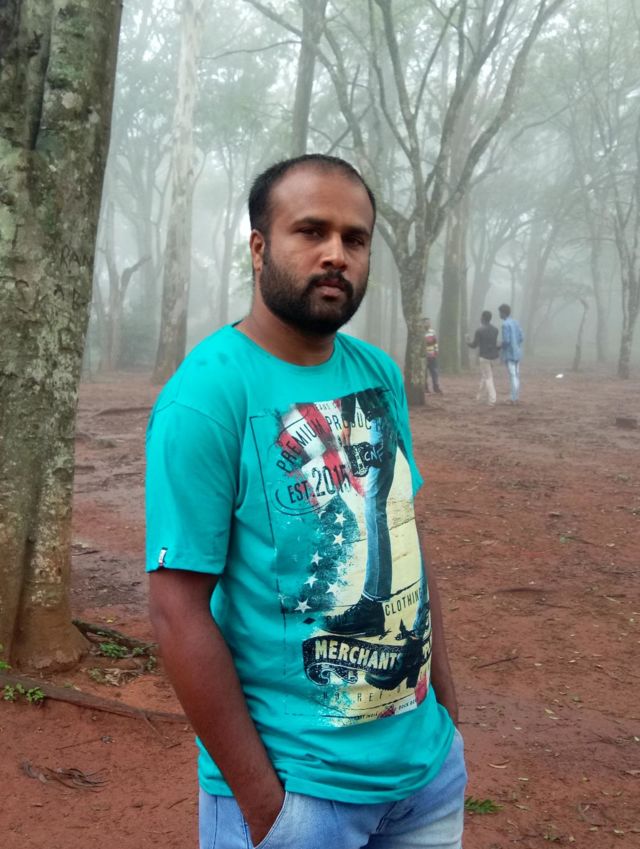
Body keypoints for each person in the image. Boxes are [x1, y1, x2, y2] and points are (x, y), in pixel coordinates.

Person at [146, 154, 466, 849]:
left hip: (425, 781)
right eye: (311, 231)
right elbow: (176, 610)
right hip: (301, 797)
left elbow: (403, 530)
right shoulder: (207, 397)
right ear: (259, 247)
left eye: (355, 239)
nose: (336, 254)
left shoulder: (377, 372)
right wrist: (266, 807)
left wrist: (446, 713)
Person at [466, 310, 499, 406]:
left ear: (483, 318)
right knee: (485, 376)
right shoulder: (496, 330)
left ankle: (492, 400)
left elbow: (474, 345)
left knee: (488, 378)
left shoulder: (479, 330)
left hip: (484, 357)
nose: (480, 318)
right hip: (493, 357)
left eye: (481, 317)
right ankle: (479, 397)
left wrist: (467, 341)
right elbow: (494, 344)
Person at [498, 303, 524, 404]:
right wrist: (516, 344)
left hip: (509, 353)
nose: (499, 314)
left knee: (512, 375)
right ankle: (515, 397)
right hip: (517, 352)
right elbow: (521, 337)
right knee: (516, 375)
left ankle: (513, 398)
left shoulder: (505, 325)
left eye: (500, 312)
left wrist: (500, 346)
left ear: (503, 313)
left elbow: (506, 341)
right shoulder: (515, 322)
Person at [423, 317, 442, 394]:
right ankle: (425, 388)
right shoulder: (420, 332)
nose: (428, 324)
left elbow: (435, 342)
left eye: (429, 322)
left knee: (434, 372)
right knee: (424, 373)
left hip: (432, 355)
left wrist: (436, 351)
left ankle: (436, 387)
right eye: (426, 322)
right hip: (423, 357)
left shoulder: (432, 332)